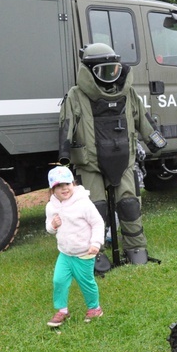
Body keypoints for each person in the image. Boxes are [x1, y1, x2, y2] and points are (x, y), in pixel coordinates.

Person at [58, 43, 166, 265]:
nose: (110, 76)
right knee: (93, 209)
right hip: (90, 163)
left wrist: (155, 141)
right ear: (89, 71)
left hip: (124, 160)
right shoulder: (76, 96)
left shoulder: (128, 93)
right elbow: (66, 124)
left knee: (129, 204)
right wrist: (64, 153)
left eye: (113, 70)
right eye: (103, 71)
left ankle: (136, 248)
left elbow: (143, 120)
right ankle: (94, 252)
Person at [45, 166, 105, 327]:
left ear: (73, 184)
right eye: (59, 186)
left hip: (84, 253)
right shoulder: (51, 206)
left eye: (67, 184)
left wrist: (95, 243)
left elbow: (97, 223)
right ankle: (62, 310)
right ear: (53, 189)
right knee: (59, 281)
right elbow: (48, 228)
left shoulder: (83, 203)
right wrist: (53, 225)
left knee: (86, 282)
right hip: (64, 253)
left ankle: (95, 309)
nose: (64, 188)